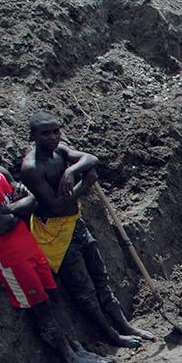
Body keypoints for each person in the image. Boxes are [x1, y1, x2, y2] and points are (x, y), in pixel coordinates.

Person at [0, 129, 110, 363]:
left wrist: (12, 209)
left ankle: (77, 348)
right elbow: (2, 226)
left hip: (27, 243)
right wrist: (19, 207)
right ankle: (69, 359)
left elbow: (31, 203)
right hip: (7, 255)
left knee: (53, 294)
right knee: (40, 304)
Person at [19, 111, 152, 348]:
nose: (52, 137)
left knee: (101, 278)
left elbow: (91, 159)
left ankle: (124, 326)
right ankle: (111, 336)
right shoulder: (31, 168)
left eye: (55, 131)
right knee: (85, 291)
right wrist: (85, 184)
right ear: (33, 136)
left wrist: (71, 172)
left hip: (75, 224)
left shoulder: (60, 151)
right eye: (45, 133)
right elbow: (55, 205)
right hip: (56, 236)